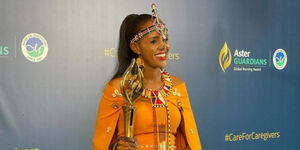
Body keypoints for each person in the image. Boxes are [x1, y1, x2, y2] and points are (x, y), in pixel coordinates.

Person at [93, 4, 202, 150]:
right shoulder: (119, 88)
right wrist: (116, 147)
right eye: (154, 41)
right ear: (136, 47)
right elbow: (102, 143)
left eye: (165, 39)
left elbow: (190, 139)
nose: (164, 46)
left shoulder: (177, 86)